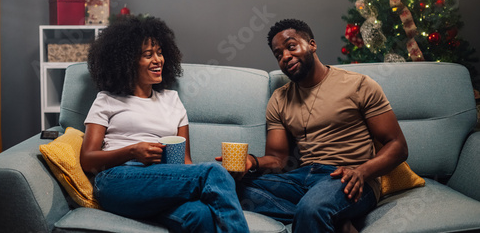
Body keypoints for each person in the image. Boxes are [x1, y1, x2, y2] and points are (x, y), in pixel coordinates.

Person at [235, 19, 408, 232]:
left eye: (291, 46)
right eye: (278, 55)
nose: (285, 57)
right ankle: (333, 217)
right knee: (227, 186)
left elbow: (398, 145)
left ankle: (319, 211)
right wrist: (251, 161)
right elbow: (278, 160)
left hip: (348, 177)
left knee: (312, 208)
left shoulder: (359, 85)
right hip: (301, 178)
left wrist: (362, 172)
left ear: (312, 45)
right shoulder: (279, 99)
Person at [80, 16, 249, 233]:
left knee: (199, 214)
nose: (158, 60)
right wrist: (133, 151)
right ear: (128, 60)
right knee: (213, 172)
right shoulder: (107, 100)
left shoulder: (173, 100)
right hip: (117, 180)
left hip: (164, 180)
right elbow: (87, 159)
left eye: (160, 53)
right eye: (148, 55)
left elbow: (186, 161)